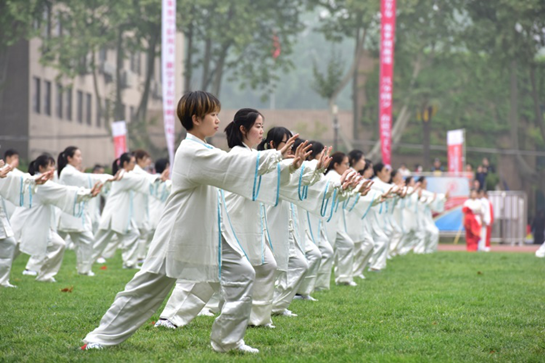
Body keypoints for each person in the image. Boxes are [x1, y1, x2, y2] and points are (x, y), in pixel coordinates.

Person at [82, 91, 298, 354]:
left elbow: (233, 166)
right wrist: (275, 156)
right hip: (178, 233)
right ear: (196, 118)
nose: (218, 120)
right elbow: (231, 165)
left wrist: (280, 161)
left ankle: (228, 341)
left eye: (217, 114)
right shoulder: (191, 150)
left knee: (244, 274)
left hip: (212, 233)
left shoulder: (204, 148)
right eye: (213, 114)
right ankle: (101, 337)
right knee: (145, 290)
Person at [10, 154, 102, 283]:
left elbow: (62, 191)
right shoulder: (40, 183)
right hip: (24, 224)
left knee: (58, 244)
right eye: (50, 166)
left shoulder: (43, 182)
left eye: (54, 166)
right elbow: (63, 191)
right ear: (41, 168)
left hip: (37, 225)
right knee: (9, 252)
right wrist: (87, 193)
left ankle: (44, 276)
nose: (53, 169)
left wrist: (87, 194)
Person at [56, 146, 118, 276]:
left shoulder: (71, 172)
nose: (80, 159)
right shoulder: (67, 172)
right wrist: (107, 177)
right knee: (83, 240)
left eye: (80, 156)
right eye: (77, 156)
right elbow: (85, 179)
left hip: (73, 213)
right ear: (69, 158)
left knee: (71, 243)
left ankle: (83, 269)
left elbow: (83, 181)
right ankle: (36, 268)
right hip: (70, 213)